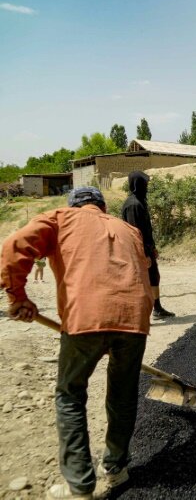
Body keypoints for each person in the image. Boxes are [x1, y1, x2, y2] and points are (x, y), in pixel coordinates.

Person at [0, 187, 154, 500]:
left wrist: (17, 296)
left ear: (74, 205)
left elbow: (14, 246)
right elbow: (147, 266)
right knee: (123, 395)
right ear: (103, 207)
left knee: (70, 394)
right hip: (134, 318)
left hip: (86, 317)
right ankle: (116, 467)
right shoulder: (129, 229)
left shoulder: (60, 218)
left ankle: (81, 486)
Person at [121, 171, 175, 319]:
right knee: (140, 282)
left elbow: (146, 229)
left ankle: (157, 308)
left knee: (153, 277)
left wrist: (152, 248)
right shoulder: (133, 205)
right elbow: (135, 232)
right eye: (145, 183)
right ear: (137, 184)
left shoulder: (140, 201)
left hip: (146, 248)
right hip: (138, 250)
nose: (147, 186)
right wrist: (143, 253)